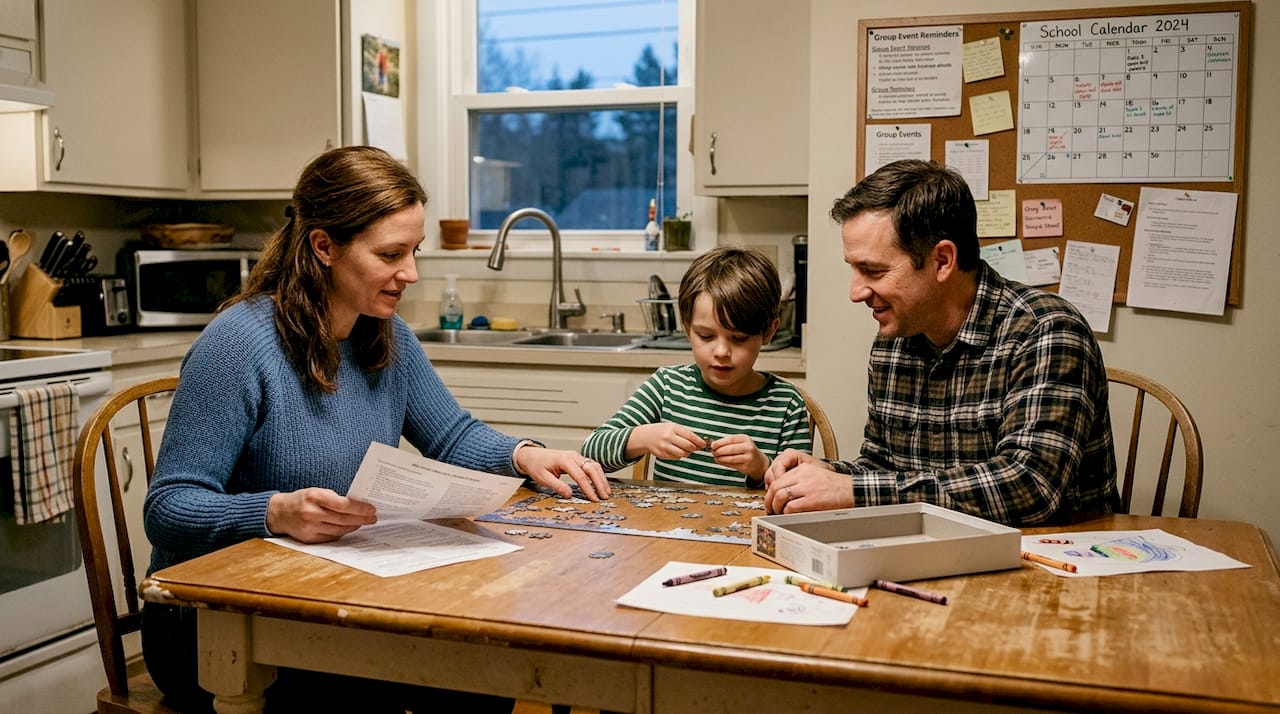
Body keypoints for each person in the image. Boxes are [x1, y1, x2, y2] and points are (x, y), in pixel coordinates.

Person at [141, 146, 609, 713]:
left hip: (326, 595)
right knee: (436, 678)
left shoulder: (385, 334)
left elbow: (453, 435)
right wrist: (274, 512)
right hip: (213, 627)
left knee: (478, 674)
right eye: (390, 254)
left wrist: (526, 455)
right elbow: (168, 508)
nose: (410, 273)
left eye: (414, 251)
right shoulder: (237, 344)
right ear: (323, 247)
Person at [764, 159, 1119, 525]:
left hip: (1053, 562)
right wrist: (827, 474)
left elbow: (1029, 486)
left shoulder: (1046, 331)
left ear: (943, 260)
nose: (856, 292)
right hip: (940, 550)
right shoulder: (895, 341)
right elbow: (883, 467)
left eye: (873, 271)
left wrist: (849, 490)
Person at [581, 246, 811, 487]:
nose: (721, 352)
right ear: (687, 327)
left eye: (739, 338)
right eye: (705, 335)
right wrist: (643, 437)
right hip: (667, 523)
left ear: (769, 332)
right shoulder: (668, 386)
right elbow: (591, 452)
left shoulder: (787, 404)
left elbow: (798, 493)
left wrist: (761, 468)